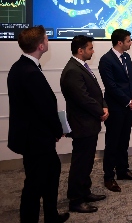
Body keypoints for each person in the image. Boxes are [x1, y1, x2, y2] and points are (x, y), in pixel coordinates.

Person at [7, 26, 69, 223]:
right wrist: (57, 129)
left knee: (51, 172)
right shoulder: (29, 72)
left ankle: (51, 215)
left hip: (34, 137)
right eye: (47, 38)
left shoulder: (21, 66)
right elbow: (43, 107)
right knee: (34, 184)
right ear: (41, 46)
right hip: (36, 139)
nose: (49, 41)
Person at [60, 36, 108, 213]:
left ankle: (84, 191)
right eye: (90, 48)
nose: (93, 51)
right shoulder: (73, 70)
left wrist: (102, 106)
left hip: (89, 122)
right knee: (80, 163)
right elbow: (83, 99)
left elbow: (94, 92)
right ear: (80, 50)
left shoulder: (81, 67)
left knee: (87, 161)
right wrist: (100, 111)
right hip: (82, 124)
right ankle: (76, 200)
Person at [98, 29, 132, 193]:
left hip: (129, 106)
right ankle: (108, 176)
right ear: (119, 43)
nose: (131, 43)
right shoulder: (106, 60)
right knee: (113, 142)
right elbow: (111, 86)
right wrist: (127, 101)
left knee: (124, 140)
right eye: (129, 41)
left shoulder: (127, 57)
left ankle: (123, 170)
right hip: (116, 107)